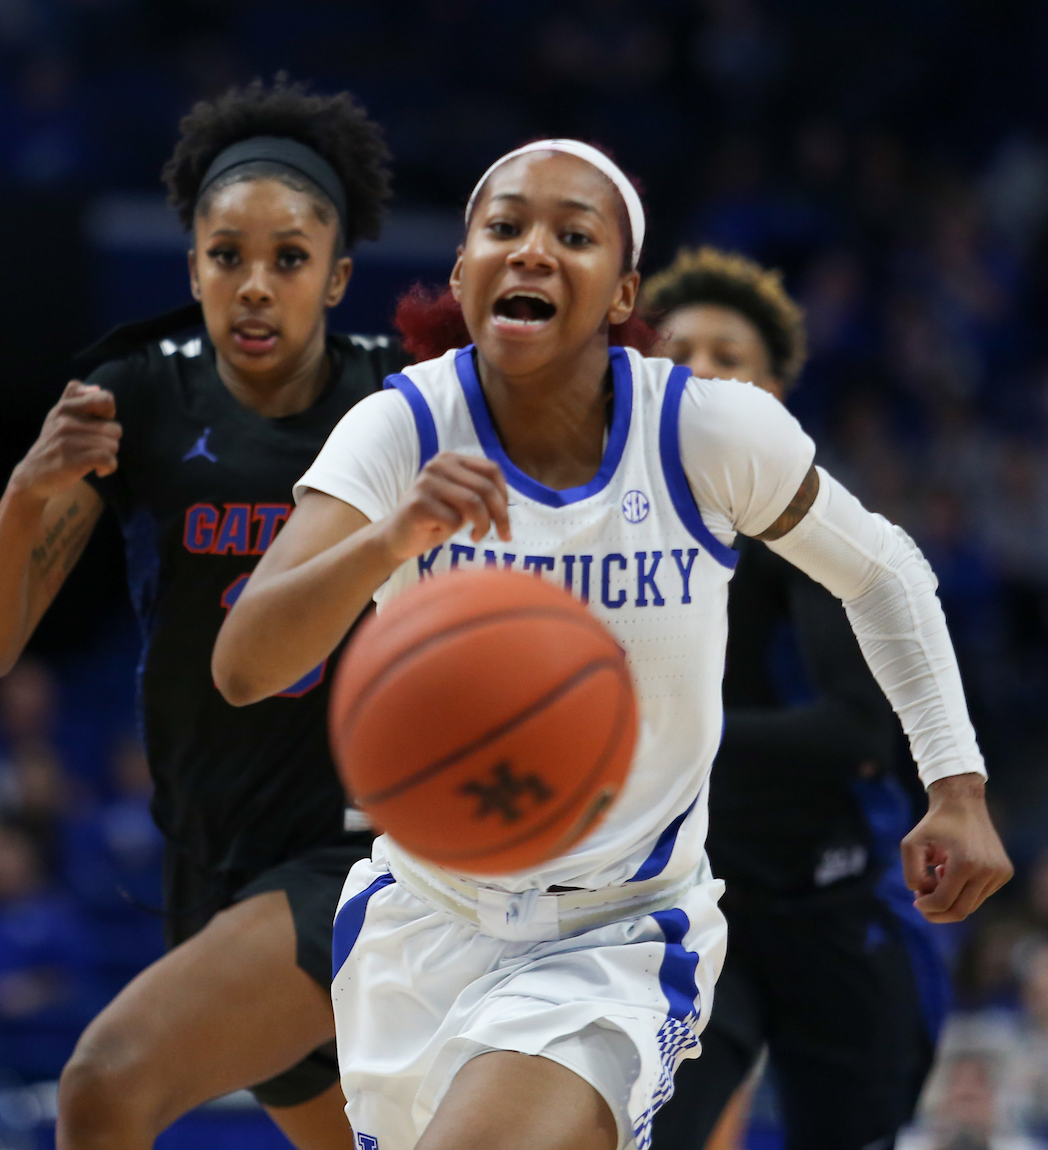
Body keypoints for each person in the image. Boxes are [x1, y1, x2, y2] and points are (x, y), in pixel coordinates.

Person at [212, 138, 1012, 1150]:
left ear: (623, 290)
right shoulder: (400, 430)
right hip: (420, 918)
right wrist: (390, 539)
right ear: (463, 275)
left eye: (573, 235)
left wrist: (956, 786)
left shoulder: (703, 432)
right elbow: (246, 665)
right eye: (504, 228)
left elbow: (883, 570)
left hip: (616, 932)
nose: (534, 250)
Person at [0, 75, 401, 1150]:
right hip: (212, 854)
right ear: (191, 264)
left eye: (288, 259)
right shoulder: (136, 396)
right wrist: (26, 492)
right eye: (226, 255)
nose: (254, 285)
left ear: (337, 277)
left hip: (367, 845)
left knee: (104, 1085)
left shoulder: (408, 396)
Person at [642, 247, 946, 1150]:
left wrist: (654, 732)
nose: (698, 374)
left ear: (770, 395)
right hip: (702, 900)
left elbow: (856, 729)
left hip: (837, 899)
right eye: (677, 354)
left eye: (726, 358)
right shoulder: (599, 532)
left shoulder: (812, 530)